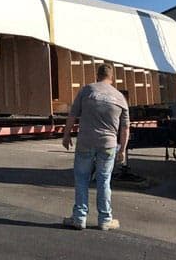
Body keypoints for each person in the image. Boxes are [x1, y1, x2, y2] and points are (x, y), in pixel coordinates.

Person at [61, 64, 129, 231]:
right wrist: (122, 150)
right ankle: (105, 219)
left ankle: (79, 218)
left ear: (97, 75)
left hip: (86, 141)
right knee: (104, 181)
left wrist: (66, 135)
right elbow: (125, 128)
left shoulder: (87, 91)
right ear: (111, 78)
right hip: (108, 145)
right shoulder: (120, 97)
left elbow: (72, 114)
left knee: (81, 178)